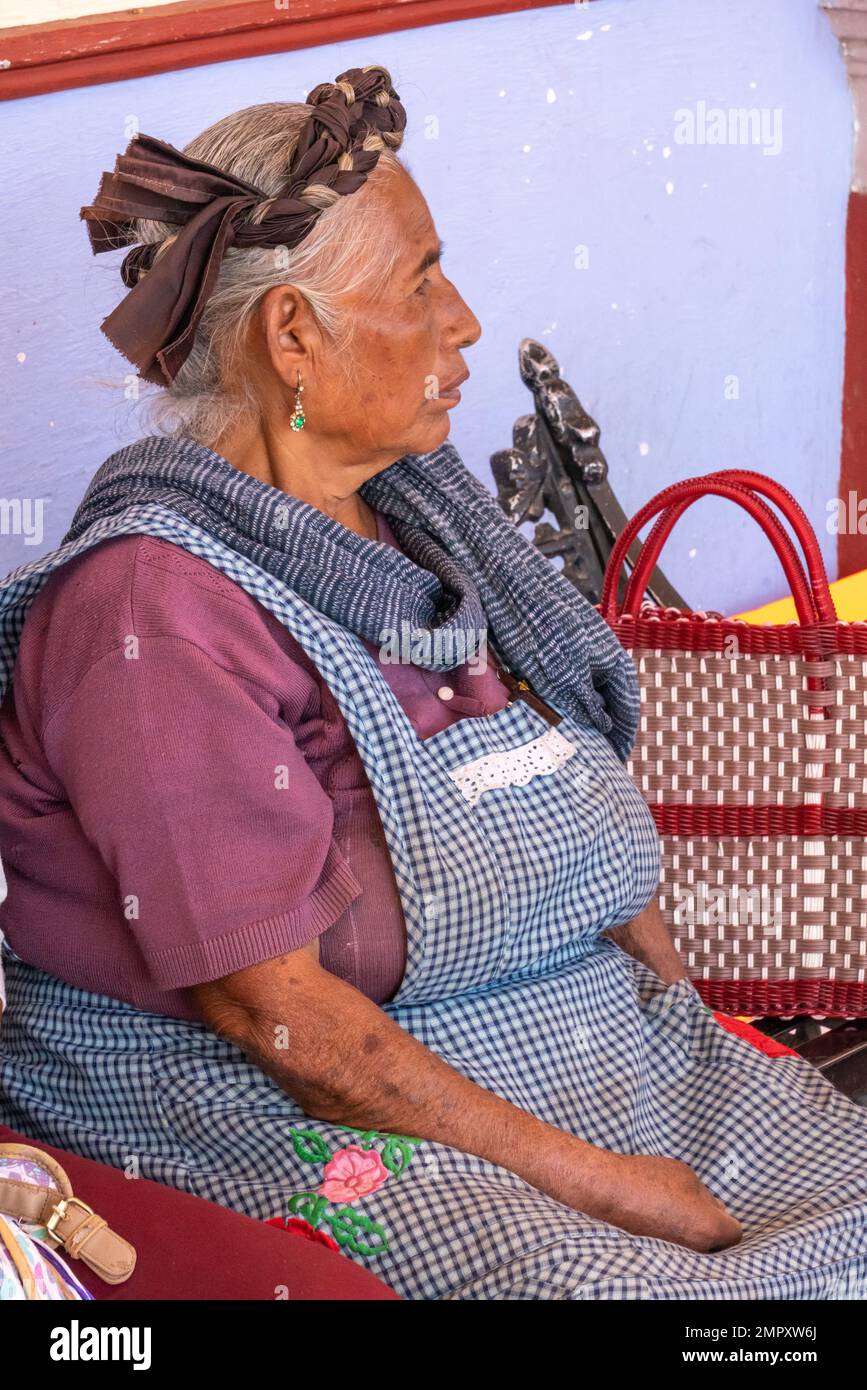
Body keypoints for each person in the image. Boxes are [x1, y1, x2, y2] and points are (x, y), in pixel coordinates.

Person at [0, 64, 864, 1301]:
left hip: (562, 1035)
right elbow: (277, 1019)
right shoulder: (152, 612)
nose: (461, 321)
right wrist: (618, 1185)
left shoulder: (420, 526)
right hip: (256, 1092)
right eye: (420, 281)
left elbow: (571, 805)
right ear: (293, 335)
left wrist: (699, 1036)